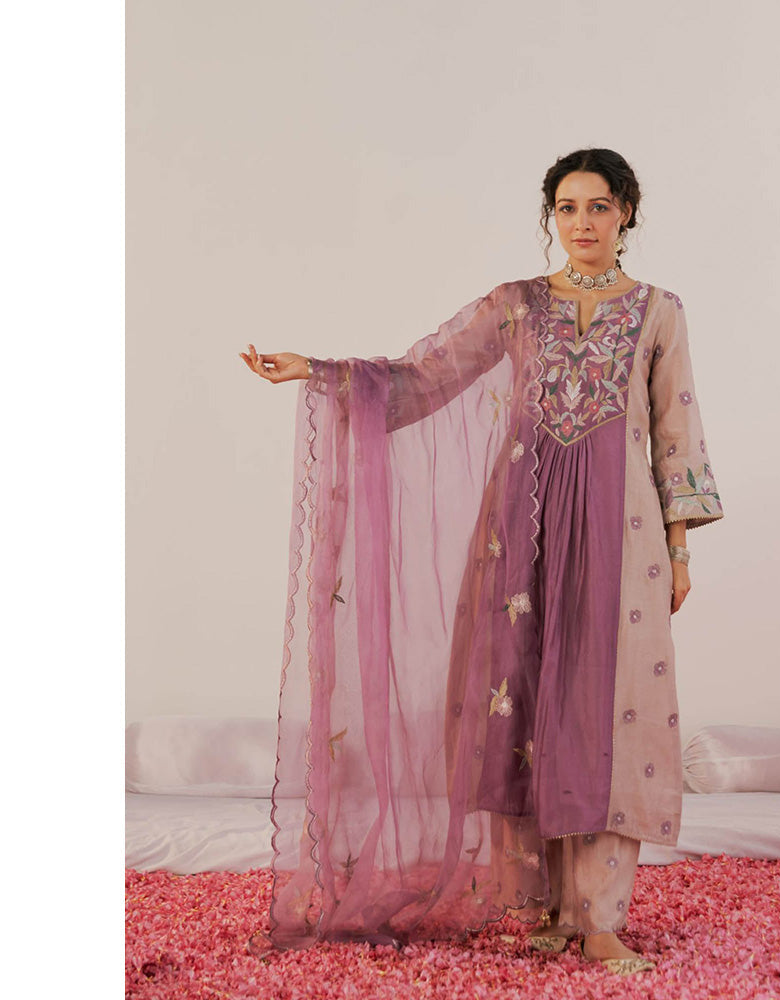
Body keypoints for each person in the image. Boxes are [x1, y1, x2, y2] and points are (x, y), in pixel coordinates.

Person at [240, 148, 724, 977]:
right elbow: (421, 380)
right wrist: (317, 372)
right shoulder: (517, 306)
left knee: (608, 711)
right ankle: (546, 908)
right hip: (521, 527)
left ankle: (600, 919)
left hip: (622, 531)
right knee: (523, 704)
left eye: (598, 207)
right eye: (566, 208)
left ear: (627, 215)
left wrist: (679, 549)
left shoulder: (658, 312)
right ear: (551, 217)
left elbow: (675, 428)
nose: (582, 223)